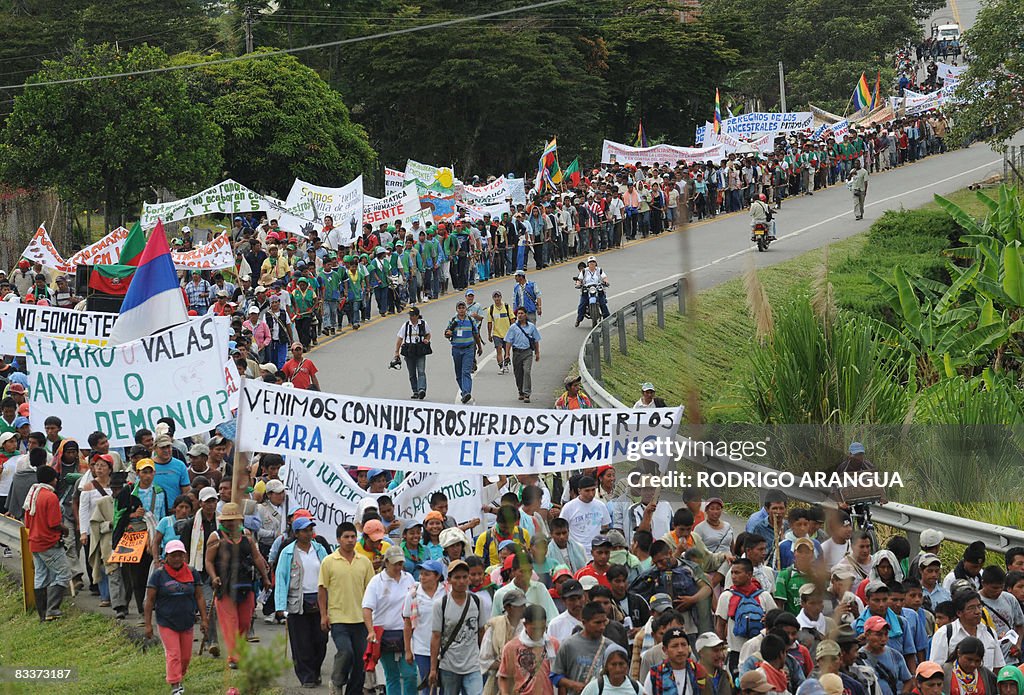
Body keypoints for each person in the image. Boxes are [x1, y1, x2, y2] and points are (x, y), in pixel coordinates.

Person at [205, 501, 272, 669]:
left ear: (239, 520)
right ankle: (234, 656)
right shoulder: (216, 537)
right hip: (225, 584)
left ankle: (238, 650)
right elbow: (208, 560)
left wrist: (265, 577)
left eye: (233, 519)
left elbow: (256, 557)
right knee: (230, 621)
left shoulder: (247, 535)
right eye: (227, 520)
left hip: (245, 582)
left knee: (244, 621)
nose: (230, 523)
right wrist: (213, 577)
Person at [145, 539, 209, 695]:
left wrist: (204, 619)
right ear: (166, 557)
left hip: (187, 621)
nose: (177, 559)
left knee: (185, 657)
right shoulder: (159, 575)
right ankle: (175, 685)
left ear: (185, 557)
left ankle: (179, 677)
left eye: (180, 555)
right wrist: (148, 624)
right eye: (173, 556)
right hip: (166, 621)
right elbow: (150, 600)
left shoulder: (192, 573)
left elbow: (199, 596)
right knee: (174, 654)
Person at [320, 521, 375, 695]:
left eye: (353, 536)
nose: (350, 540)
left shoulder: (364, 562)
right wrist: (323, 615)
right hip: (338, 618)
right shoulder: (329, 561)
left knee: (360, 661)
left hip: (360, 619)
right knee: (346, 652)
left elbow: (371, 591)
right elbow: (322, 589)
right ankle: (337, 681)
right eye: (346, 537)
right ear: (338, 539)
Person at [275, 516, 330, 688]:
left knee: (320, 640)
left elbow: (330, 574)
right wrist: (280, 606)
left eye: (310, 530)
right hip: (297, 602)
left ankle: (315, 669)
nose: (308, 533)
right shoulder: (288, 553)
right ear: (297, 533)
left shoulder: (320, 549)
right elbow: (281, 578)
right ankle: (306, 676)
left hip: (320, 601)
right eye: (304, 530)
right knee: (301, 642)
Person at [364, 545, 418, 695]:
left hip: (406, 632)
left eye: (401, 563)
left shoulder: (409, 578)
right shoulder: (376, 581)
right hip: (384, 634)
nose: (398, 567)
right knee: (392, 675)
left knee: (410, 674)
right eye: (395, 563)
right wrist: (370, 631)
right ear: (386, 562)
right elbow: (367, 608)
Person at [23, 464, 71, 621]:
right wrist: (65, 529)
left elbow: (27, 523)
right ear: (53, 479)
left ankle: (42, 613)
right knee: (63, 574)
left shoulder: (33, 494)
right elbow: (54, 523)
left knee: (41, 576)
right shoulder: (50, 497)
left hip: (34, 541)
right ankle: (53, 609)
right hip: (48, 542)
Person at [429, 559, 484, 695]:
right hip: (449, 665)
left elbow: (482, 632)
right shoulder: (440, 604)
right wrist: (433, 669)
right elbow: (436, 637)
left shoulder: (477, 601)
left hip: (473, 664)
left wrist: (484, 658)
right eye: (457, 577)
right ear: (449, 580)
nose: (461, 581)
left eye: (465, 577)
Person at [403, 558, 445, 693]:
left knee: (444, 685)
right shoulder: (413, 594)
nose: (422, 577)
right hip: (422, 647)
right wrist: (408, 650)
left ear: (437, 576)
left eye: (427, 574)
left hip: (444, 648)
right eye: (421, 573)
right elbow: (408, 623)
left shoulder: (446, 592)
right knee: (427, 685)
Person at [497, 603, 559, 695]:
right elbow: (503, 677)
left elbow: (560, 675)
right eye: (534, 629)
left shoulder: (553, 644)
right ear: (525, 624)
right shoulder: (511, 648)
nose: (538, 632)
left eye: (542, 628)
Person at [553, 602, 611, 695]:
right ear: (584, 622)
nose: (602, 627)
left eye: (604, 622)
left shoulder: (610, 647)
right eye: (597, 623)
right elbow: (555, 676)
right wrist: (573, 685)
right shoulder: (568, 645)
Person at [444, 300, 484, 404]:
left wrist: (479, 347)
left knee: (466, 371)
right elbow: (447, 333)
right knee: (458, 373)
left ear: (466, 309)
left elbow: (476, 334)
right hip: (456, 349)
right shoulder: (453, 321)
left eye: (463, 308)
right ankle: (464, 391)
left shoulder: (471, 320)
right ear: (457, 310)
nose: (461, 310)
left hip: (468, 349)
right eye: (459, 308)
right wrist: (448, 333)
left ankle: (466, 392)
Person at [642, 628, 701, 695]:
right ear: (665, 650)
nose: (680, 650)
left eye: (684, 645)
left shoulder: (698, 670)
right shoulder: (655, 673)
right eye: (675, 646)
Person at [505, 307, 542, 403]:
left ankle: (527, 393)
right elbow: (508, 341)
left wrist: (537, 353)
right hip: (517, 353)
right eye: (518, 314)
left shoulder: (531, 327)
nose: (520, 315)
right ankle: (520, 391)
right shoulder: (513, 327)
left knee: (526, 371)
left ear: (525, 314)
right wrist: (507, 354)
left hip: (527, 352)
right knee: (518, 373)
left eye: (521, 313)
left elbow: (536, 340)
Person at [395, 306, 432, 400]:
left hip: (420, 350)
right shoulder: (406, 325)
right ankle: (415, 391)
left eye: (413, 315)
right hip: (409, 351)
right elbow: (400, 338)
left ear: (417, 316)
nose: (411, 317)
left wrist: (426, 340)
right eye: (410, 315)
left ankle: (421, 389)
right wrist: (397, 352)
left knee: (421, 371)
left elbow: (428, 334)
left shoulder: (423, 324)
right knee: (412, 373)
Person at [575, 256, 610, 327]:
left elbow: (604, 277)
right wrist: (578, 284)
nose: (592, 264)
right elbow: (579, 279)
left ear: (596, 263)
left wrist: (606, 282)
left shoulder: (599, 270)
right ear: (588, 264)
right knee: (582, 305)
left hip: (597, 288)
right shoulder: (584, 271)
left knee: (603, 303)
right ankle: (579, 319)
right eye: (590, 262)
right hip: (587, 289)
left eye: (593, 262)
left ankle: (608, 319)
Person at [486, 290, 514, 374]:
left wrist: (513, 332)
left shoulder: (506, 307)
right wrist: (489, 334)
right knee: (498, 349)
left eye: (498, 296)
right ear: (493, 298)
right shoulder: (490, 309)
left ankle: (506, 365)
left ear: (501, 297)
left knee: (507, 351)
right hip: (496, 333)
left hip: (507, 333)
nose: (497, 298)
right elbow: (490, 323)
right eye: (495, 297)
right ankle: (501, 366)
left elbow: (512, 319)